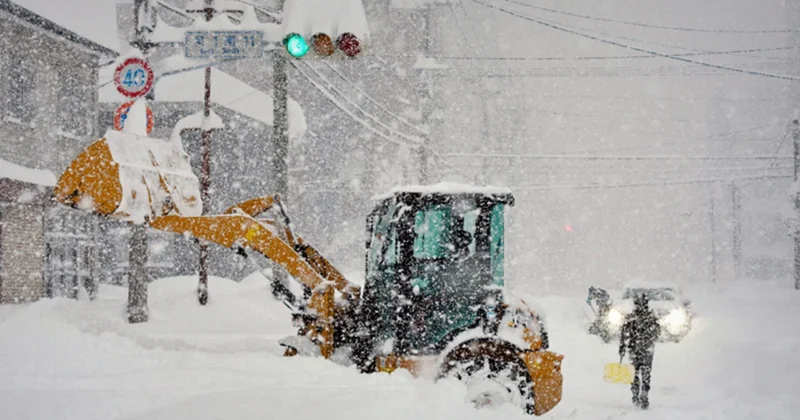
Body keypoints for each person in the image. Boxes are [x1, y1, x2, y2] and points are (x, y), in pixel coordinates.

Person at [618, 293, 661, 409]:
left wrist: (622, 347)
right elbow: (657, 332)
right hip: (647, 350)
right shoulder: (651, 317)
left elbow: (624, 334)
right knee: (646, 374)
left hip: (634, 349)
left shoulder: (631, 318)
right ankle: (644, 394)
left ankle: (635, 393)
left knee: (634, 373)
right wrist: (648, 339)